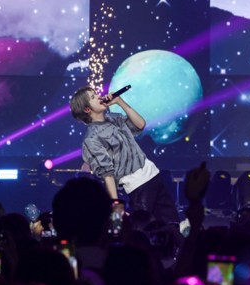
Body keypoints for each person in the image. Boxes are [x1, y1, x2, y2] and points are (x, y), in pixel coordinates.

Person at [70, 85, 179, 225]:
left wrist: (119, 102)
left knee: (172, 224)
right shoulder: (91, 139)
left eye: (96, 93)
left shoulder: (114, 117)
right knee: (145, 229)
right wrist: (116, 206)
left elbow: (140, 125)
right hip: (138, 186)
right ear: (87, 109)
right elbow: (107, 174)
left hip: (153, 174)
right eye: (93, 97)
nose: (99, 96)